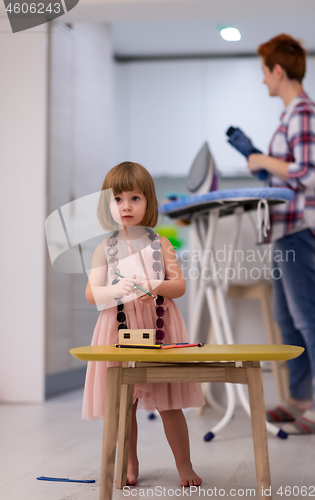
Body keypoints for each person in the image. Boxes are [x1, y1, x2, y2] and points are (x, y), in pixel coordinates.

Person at [82, 161, 205, 485]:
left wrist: (154, 286)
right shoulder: (103, 250)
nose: (126, 206)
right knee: (125, 404)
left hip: (159, 329)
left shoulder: (161, 244)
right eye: (118, 199)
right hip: (118, 331)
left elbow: (178, 287)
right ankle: (129, 463)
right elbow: (92, 294)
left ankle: (184, 465)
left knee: (170, 402)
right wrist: (115, 289)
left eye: (135, 198)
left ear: (148, 201)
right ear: (107, 205)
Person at [247, 33, 315, 434]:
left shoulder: (302, 113)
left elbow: (310, 174)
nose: (263, 80)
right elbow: (295, 171)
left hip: (299, 229)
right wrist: (264, 166)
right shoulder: (291, 116)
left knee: (308, 317)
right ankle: (300, 399)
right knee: (287, 316)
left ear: (278, 71)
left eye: (265, 72)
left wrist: (263, 159)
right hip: (286, 229)